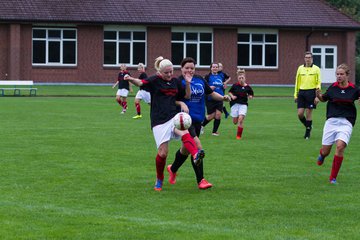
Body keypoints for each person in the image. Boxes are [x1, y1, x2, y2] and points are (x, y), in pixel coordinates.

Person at [124, 56, 205, 191]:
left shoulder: (175, 81)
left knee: (185, 132)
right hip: (159, 120)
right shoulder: (154, 80)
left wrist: (188, 84)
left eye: (171, 72)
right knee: (163, 153)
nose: (169, 75)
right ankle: (159, 178)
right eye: (166, 72)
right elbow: (141, 83)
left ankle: (196, 154)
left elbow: (186, 96)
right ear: (160, 72)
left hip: (173, 116)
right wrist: (131, 79)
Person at [167, 57, 230, 189]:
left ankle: (173, 169)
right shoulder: (177, 81)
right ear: (181, 68)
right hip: (184, 121)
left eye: (192, 68)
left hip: (197, 120)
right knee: (197, 147)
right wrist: (182, 103)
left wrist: (223, 97)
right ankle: (201, 180)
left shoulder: (200, 79)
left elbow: (211, 93)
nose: (189, 70)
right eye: (187, 68)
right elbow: (172, 100)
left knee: (186, 149)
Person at [315, 63, 360, 184]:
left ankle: (332, 178)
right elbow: (324, 98)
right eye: (337, 74)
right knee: (326, 151)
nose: (339, 76)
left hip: (346, 122)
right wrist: (318, 95)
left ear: (347, 75)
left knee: (340, 146)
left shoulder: (354, 89)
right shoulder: (333, 88)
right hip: (331, 122)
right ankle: (322, 155)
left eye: (341, 74)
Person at [294, 51, 321, 139]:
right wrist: (295, 94)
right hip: (301, 92)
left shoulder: (316, 69)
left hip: (311, 92)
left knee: (308, 113)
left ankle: (307, 133)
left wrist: (317, 96)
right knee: (300, 114)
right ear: (304, 59)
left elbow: (318, 83)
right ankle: (308, 125)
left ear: (312, 59)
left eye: (309, 57)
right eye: (306, 57)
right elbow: (297, 82)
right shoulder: (300, 68)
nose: (308, 59)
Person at [201, 63, 227, 136]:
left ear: (218, 68)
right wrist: (209, 87)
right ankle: (201, 125)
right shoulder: (207, 76)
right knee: (211, 116)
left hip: (220, 98)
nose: (215, 68)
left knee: (218, 115)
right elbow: (203, 86)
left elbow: (221, 85)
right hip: (210, 98)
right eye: (213, 67)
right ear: (211, 68)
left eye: (216, 67)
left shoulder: (221, 76)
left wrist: (224, 86)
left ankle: (214, 132)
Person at [228, 69, 254, 139]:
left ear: (245, 78)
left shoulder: (248, 87)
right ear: (238, 79)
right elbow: (229, 92)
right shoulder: (235, 85)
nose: (241, 79)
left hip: (243, 104)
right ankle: (236, 118)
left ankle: (238, 136)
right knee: (235, 122)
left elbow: (251, 94)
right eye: (240, 78)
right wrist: (232, 96)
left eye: (242, 78)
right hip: (234, 104)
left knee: (241, 119)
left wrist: (250, 96)